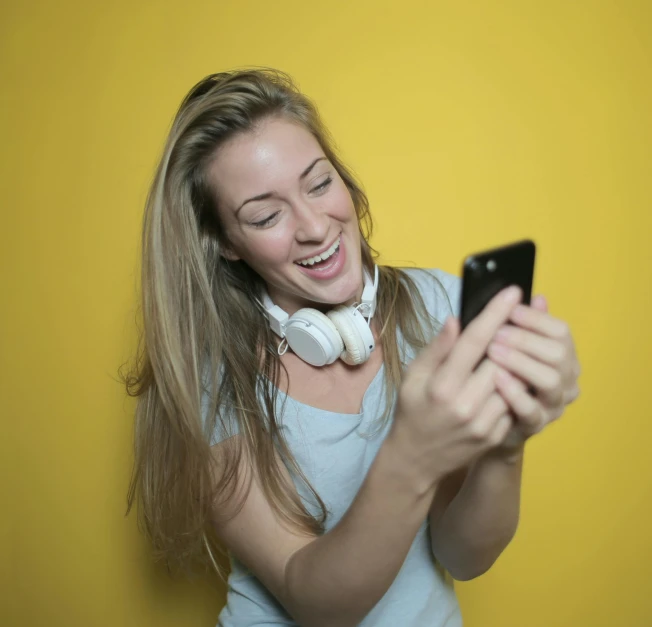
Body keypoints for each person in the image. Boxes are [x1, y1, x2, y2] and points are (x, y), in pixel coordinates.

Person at [124, 69, 580, 627]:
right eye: (266, 215)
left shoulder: (440, 308)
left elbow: (465, 556)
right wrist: (411, 454)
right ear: (224, 243)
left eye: (318, 184)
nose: (315, 226)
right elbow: (316, 604)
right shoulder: (210, 378)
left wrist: (506, 446)